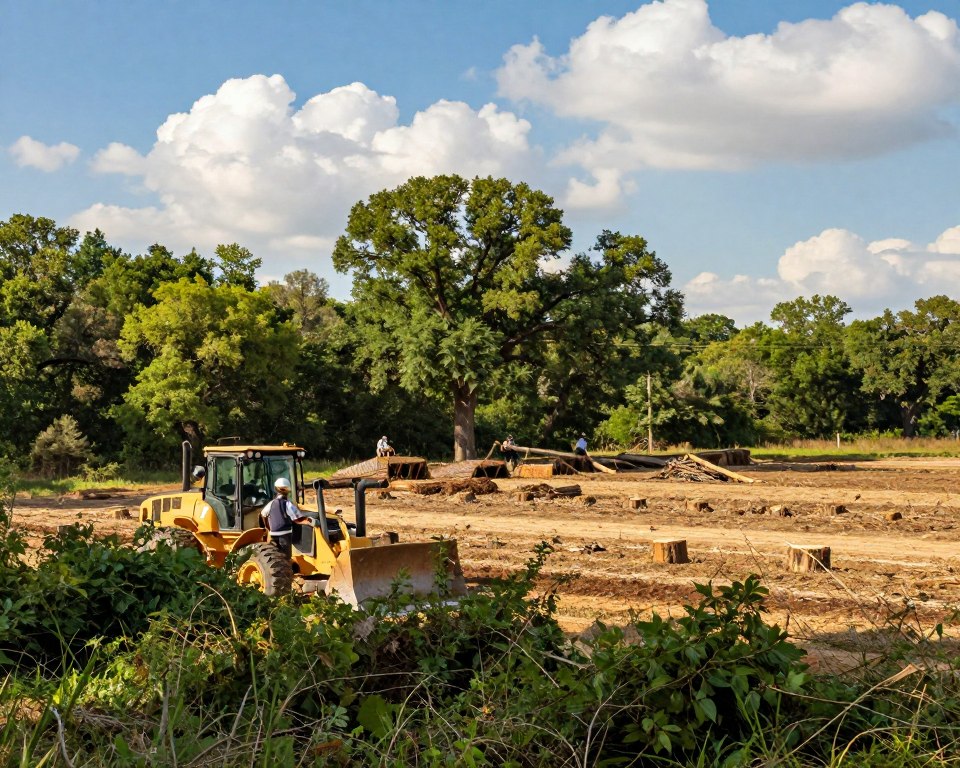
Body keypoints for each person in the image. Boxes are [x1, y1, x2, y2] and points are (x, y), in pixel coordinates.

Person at [260, 477, 318, 557]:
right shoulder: (287, 504)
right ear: (288, 491)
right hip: (285, 535)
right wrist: (310, 521)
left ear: (276, 489)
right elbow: (297, 519)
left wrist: (268, 527)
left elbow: (263, 514)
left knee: (275, 556)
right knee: (286, 557)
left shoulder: (271, 503)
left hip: (273, 535)